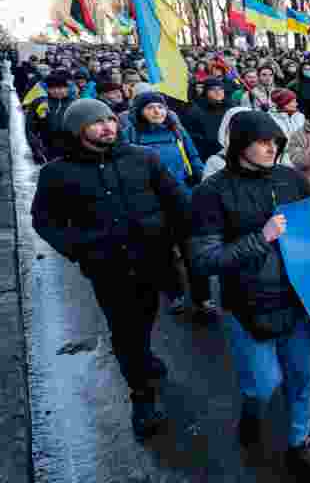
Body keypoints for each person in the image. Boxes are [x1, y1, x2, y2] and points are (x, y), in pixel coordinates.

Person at [31, 99, 186, 443]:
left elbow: (175, 201)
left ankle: (143, 356)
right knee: (124, 329)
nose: (107, 127)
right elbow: (44, 221)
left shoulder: (143, 159)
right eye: (96, 122)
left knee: (145, 316)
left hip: (151, 260)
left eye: (110, 120)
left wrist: (179, 240)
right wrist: (80, 249)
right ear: (78, 130)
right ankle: (142, 397)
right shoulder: (58, 173)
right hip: (108, 269)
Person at [189, 110, 310, 480]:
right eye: (263, 142)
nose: (272, 148)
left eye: (276, 143)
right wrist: (261, 238)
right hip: (247, 307)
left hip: (297, 300)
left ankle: (299, 443)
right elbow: (204, 259)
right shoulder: (211, 192)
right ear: (240, 145)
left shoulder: (289, 178)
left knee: (300, 377)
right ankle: (252, 410)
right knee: (265, 385)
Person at [122, 92, 215, 316]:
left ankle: (203, 298)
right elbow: (126, 166)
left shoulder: (177, 130)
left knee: (194, 251)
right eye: (151, 108)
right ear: (139, 112)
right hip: (153, 203)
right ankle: (175, 294)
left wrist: (199, 177)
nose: (157, 112)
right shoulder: (131, 133)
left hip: (185, 197)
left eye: (161, 107)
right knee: (162, 253)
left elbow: (193, 157)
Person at [181, 78, 239, 161]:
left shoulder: (231, 107)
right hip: (208, 155)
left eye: (220, 89)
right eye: (213, 89)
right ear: (206, 92)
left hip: (231, 153)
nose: (218, 92)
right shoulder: (196, 110)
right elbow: (192, 136)